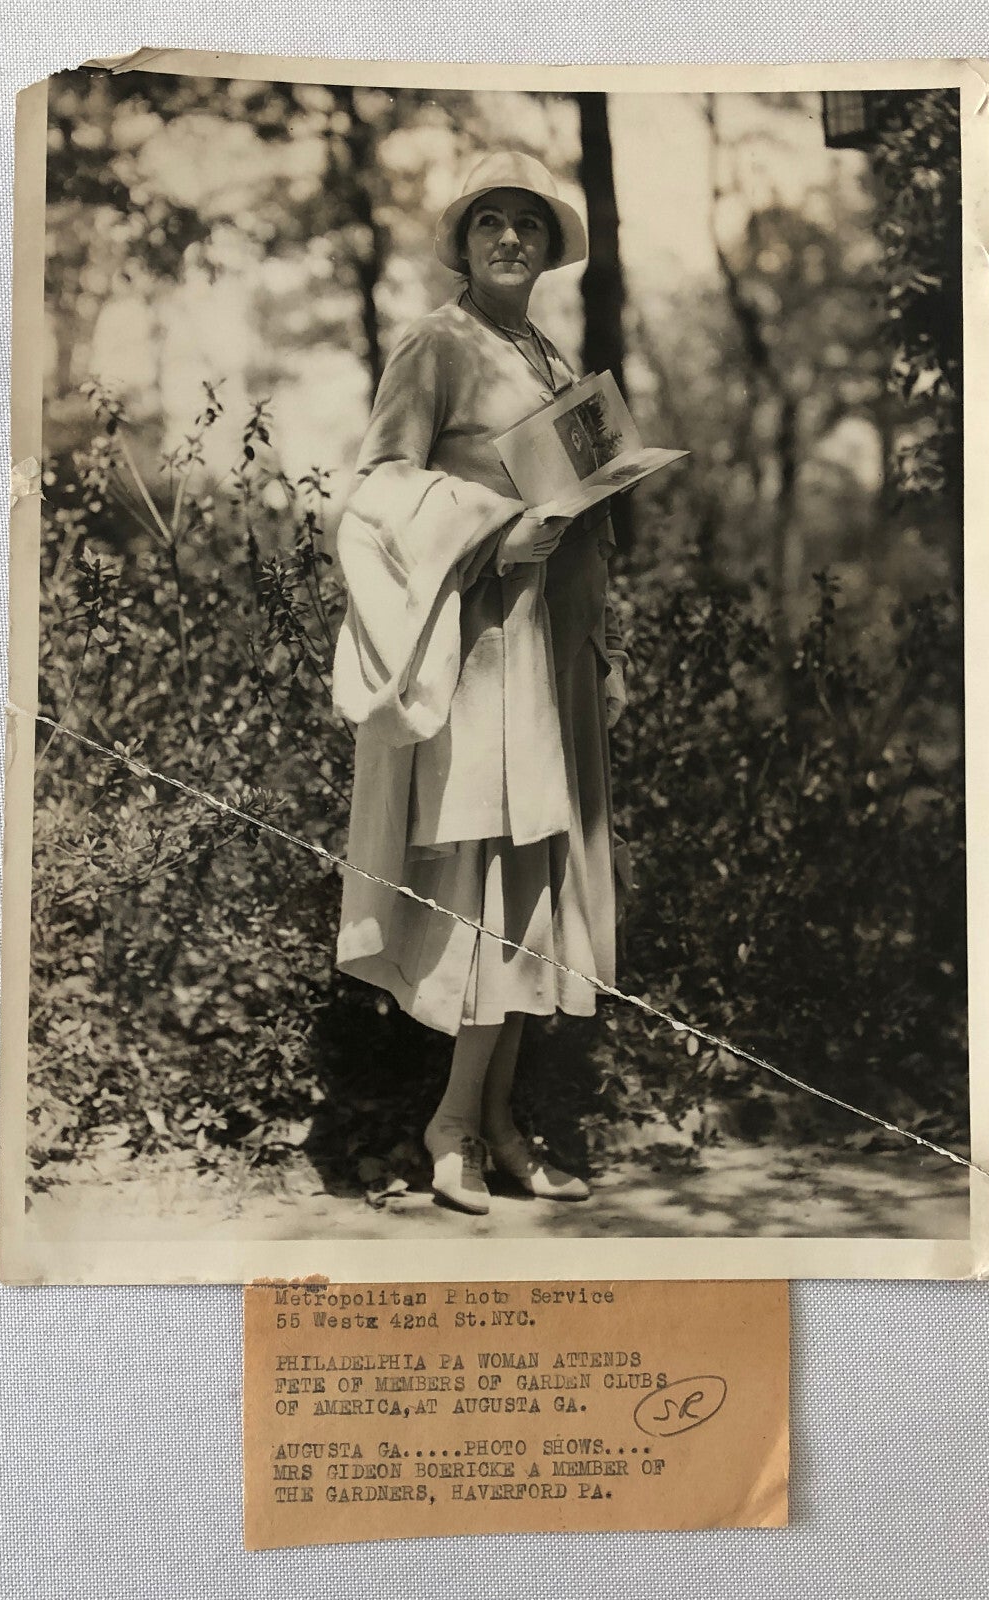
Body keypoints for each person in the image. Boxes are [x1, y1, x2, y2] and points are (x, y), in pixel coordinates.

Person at [331, 150, 629, 1214]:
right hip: (477, 649)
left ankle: (497, 1123)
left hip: (550, 652)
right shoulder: (437, 343)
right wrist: (491, 533)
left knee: (535, 882)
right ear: (462, 243)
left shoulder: (549, 357)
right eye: (490, 220)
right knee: (487, 881)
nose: (510, 237)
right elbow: (375, 491)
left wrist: (602, 638)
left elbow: (581, 504)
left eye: (529, 223)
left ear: (549, 248)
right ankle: (451, 1126)